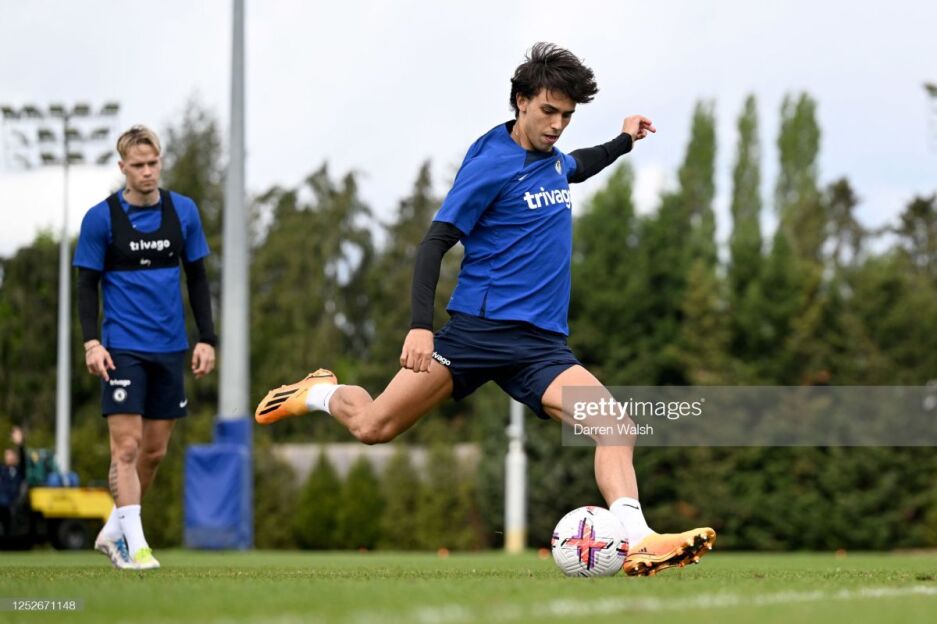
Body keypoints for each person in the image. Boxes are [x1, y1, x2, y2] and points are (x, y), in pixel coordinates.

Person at [255, 43, 715, 575]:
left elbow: (577, 166)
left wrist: (624, 140)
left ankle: (639, 539)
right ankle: (318, 392)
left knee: (616, 426)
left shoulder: (551, 160)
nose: (557, 125)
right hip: (476, 335)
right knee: (374, 427)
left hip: (541, 347)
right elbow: (434, 243)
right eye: (548, 111)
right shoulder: (492, 166)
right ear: (521, 101)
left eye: (567, 116)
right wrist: (420, 327)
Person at [74, 125, 217, 570]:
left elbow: (197, 278)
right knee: (127, 448)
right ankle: (136, 548)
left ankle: (113, 531)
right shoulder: (100, 219)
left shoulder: (183, 212)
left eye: (153, 163)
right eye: (138, 165)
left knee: (153, 453)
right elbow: (86, 286)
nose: (148, 172)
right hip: (121, 348)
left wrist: (207, 339)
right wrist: (91, 343)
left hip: (169, 347)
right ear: (123, 168)